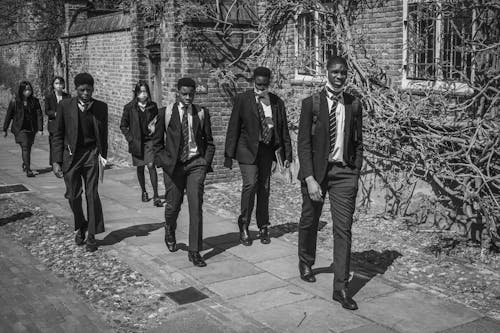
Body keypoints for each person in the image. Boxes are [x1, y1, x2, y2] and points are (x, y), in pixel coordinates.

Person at [297, 56, 363, 310]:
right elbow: (303, 143)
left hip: (344, 173)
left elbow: (358, 142)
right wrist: (310, 178)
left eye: (344, 72)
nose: (339, 76)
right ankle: (305, 259)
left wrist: (355, 172)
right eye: (335, 71)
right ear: (327, 72)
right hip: (317, 173)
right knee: (310, 219)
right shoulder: (310, 104)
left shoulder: (354, 104)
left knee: (343, 229)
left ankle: (341, 288)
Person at [224, 67, 292, 246]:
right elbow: (233, 127)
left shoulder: (277, 102)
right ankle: (244, 223)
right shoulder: (243, 100)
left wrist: (287, 155)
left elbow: (283, 130)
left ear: (269, 82)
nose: (261, 88)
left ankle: (263, 226)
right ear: (253, 81)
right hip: (247, 150)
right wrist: (228, 154)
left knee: (264, 188)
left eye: (265, 85)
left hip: (266, 151)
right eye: (258, 84)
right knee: (250, 184)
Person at [153, 77, 215, 267]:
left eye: (191, 94)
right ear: (178, 93)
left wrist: (205, 163)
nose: (188, 97)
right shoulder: (166, 113)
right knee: (173, 206)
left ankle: (194, 250)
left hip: (195, 164)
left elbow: (210, 142)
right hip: (174, 167)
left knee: (196, 206)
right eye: (184, 94)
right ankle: (169, 229)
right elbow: (156, 143)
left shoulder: (201, 113)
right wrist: (164, 162)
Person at [52, 73, 108, 253]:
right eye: (82, 90)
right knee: (73, 196)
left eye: (89, 90)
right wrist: (56, 161)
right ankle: (81, 223)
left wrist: (103, 158)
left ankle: (91, 235)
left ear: (93, 89)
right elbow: (58, 134)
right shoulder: (65, 106)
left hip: (91, 155)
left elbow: (104, 135)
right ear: (76, 89)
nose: (86, 93)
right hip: (72, 156)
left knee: (92, 195)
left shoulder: (100, 107)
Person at [120, 81, 162, 207]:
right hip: (137, 142)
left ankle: (156, 196)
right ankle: (144, 191)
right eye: (140, 92)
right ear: (136, 93)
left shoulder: (153, 106)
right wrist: (130, 139)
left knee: (151, 165)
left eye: (145, 91)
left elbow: (157, 122)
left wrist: (155, 128)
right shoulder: (129, 107)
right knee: (140, 167)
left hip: (149, 141)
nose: (143, 94)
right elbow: (123, 125)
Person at [3, 81, 43, 177]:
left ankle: (25, 163)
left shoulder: (35, 101)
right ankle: (28, 169)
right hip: (20, 128)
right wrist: (5, 129)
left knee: (27, 147)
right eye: (25, 89)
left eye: (29, 89)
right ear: (21, 90)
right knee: (25, 147)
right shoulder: (14, 101)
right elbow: (9, 116)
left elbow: (39, 115)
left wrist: (40, 129)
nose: (27, 91)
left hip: (31, 128)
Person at [45, 76, 70, 166]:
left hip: (64, 124)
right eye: (56, 83)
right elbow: (47, 110)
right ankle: (54, 162)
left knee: (63, 143)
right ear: (53, 85)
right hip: (54, 124)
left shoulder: (67, 96)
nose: (59, 86)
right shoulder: (49, 97)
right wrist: (55, 114)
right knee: (53, 144)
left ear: (63, 85)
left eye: (60, 83)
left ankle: (61, 160)